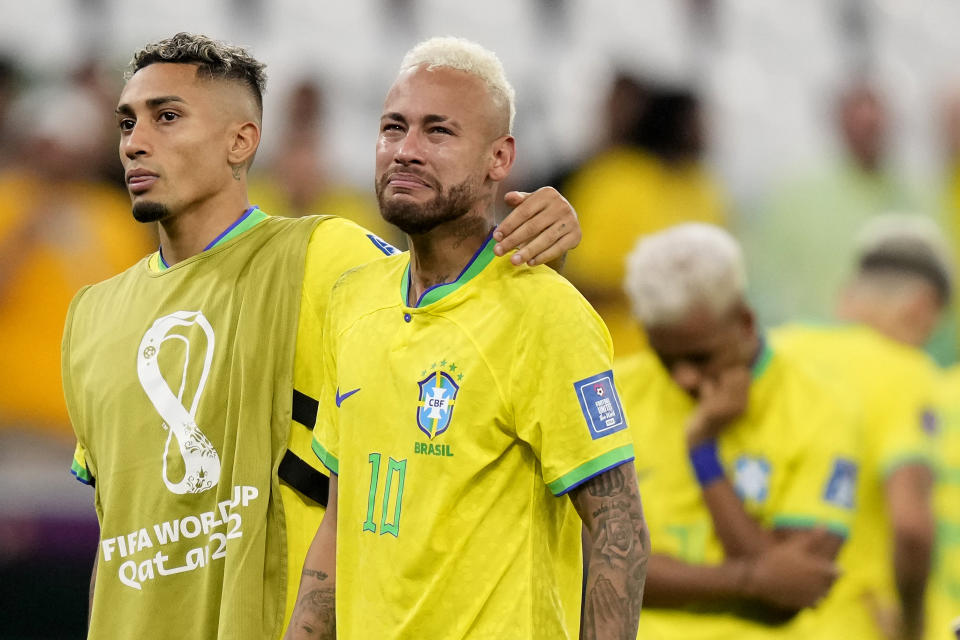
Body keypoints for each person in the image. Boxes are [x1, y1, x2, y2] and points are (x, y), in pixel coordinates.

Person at [61, 33, 583, 640]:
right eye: (126, 122)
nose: (135, 142)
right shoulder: (90, 315)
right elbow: (119, 527)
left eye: (166, 117)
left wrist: (547, 238)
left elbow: (464, 304)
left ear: (242, 140)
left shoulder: (321, 254)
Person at [286, 37, 647, 640]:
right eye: (392, 128)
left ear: (499, 158)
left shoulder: (546, 311)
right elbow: (339, 521)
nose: (405, 151)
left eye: (438, 132)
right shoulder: (352, 300)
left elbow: (617, 526)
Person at [617, 223, 858, 639]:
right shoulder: (615, 393)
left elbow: (788, 596)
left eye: (699, 356)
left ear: (745, 321)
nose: (685, 379)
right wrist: (749, 578)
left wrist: (703, 453)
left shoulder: (818, 410)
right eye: (665, 358)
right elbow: (599, 571)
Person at [774, 214, 947, 640]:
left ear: (846, 294)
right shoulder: (906, 371)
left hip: (748, 618)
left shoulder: (774, 351)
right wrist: (912, 624)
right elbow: (910, 526)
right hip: (848, 622)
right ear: (921, 307)